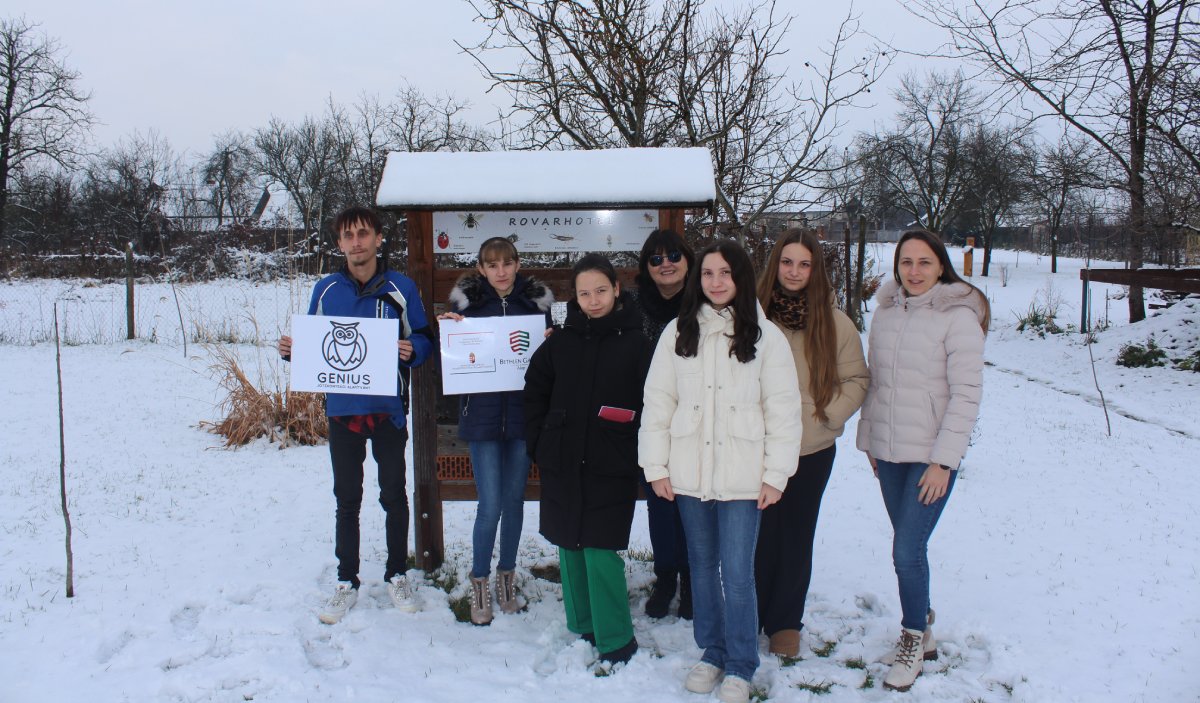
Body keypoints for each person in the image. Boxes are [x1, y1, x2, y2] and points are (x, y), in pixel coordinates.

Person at [639, 240, 803, 703]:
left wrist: (776, 474)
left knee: (737, 572)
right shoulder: (678, 332)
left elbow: (783, 410)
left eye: (725, 273)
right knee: (702, 567)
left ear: (741, 278)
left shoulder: (766, 337)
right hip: (690, 472)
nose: (716, 282)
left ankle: (741, 663)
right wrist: (655, 464)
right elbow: (658, 402)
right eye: (708, 273)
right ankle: (712, 651)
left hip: (743, 477)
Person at [277, 206, 434, 625]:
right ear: (339, 243)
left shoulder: (400, 287)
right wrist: (293, 351)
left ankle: (397, 573)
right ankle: (347, 580)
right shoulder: (326, 290)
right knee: (346, 499)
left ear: (379, 238)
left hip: (387, 412)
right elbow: (314, 345)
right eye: (348, 236)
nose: (356, 242)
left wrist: (413, 349)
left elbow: (424, 337)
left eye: (363, 233)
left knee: (393, 495)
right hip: (343, 412)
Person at [856, 229, 988, 692]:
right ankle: (923, 629)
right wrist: (870, 440)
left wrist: (944, 462)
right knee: (908, 548)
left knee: (905, 550)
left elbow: (966, 395)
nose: (914, 271)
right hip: (890, 452)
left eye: (924, 262)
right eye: (906, 262)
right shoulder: (886, 312)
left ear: (940, 266)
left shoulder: (958, 317)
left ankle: (913, 637)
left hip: (930, 458)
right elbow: (876, 382)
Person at [523, 253, 650, 667]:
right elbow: (534, 392)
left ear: (617, 289)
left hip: (611, 462)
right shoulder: (560, 342)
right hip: (562, 458)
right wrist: (540, 443)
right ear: (574, 298)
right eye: (584, 294)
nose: (593, 300)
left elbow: (654, 403)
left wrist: (639, 449)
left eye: (600, 291)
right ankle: (582, 626)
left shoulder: (637, 344)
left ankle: (616, 639)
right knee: (569, 545)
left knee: (600, 548)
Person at [753, 229, 869, 658]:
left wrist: (827, 415)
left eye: (804, 264)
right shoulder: (753, 317)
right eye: (787, 262)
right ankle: (751, 611)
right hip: (758, 445)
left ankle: (785, 622)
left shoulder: (835, 322)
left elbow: (857, 378)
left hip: (811, 448)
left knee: (796, 535)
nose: (794, 271)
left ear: (815, 269)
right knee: (758, 535)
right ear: (775, 265)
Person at [438, 237, 554, 626]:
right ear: (481, 269)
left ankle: (507, 577)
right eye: (492, 265)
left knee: (514, 501)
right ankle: (479, 581)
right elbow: (450, 359)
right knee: (489, 504)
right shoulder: (466, 306)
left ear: (518, 264)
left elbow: (549, 361)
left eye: (507, 263)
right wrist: (448, 334)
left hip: (522, 417)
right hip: (482, 419)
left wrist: (553, 342)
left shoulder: (535, 306)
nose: (501, 272)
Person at [627, 229, 695, 620]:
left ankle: (693, 578)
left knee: (694, 504)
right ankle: (666, 576)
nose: (665, 264)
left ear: (687, 259)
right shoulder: (631, 305)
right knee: (661, 504)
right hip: (649, 422)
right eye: (655, 258)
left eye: (673, 256)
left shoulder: (704, 302)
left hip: (696, 420)